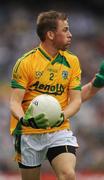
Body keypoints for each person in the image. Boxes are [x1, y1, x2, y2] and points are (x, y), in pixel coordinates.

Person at [10, 10, 104, 180]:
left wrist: (61, 117)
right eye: (66, 30)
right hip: (29, 132)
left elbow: (75, 100)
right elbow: (15, 102)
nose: (70, 34)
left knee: (68, 175)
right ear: (51, 34)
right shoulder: (25, 63)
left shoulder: (72, 61)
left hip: (59, 130)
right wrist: (25, 119)